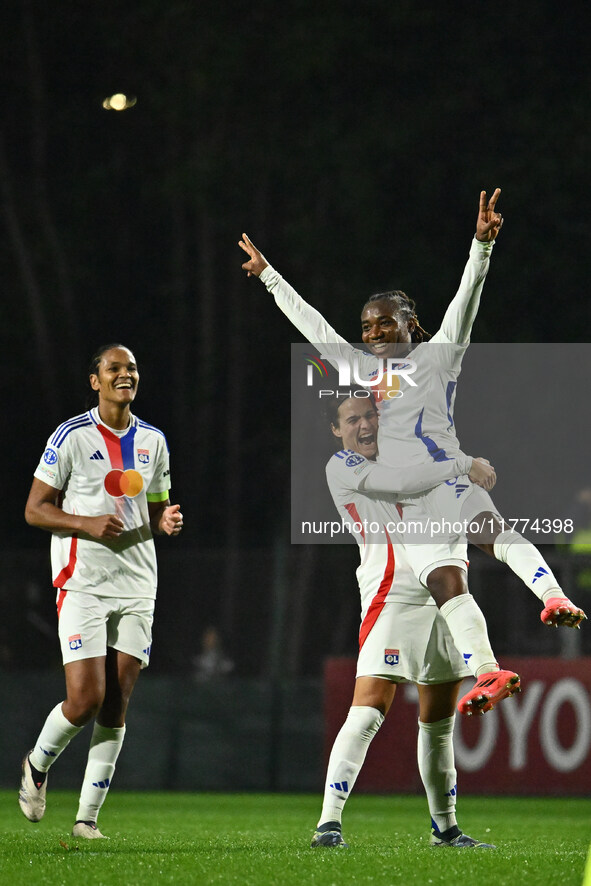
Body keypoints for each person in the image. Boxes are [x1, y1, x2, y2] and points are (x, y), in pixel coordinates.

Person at [239, 189, 585, 713]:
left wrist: (482, 247)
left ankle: (553, 597)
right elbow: (313, 325)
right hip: (409, 510)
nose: (374, 332)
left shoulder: (438, 357)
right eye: (367, 326)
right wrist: (269, 276)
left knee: (492, 535)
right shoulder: (361, 370)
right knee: (451, 585)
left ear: (410, 325)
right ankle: (489, 672)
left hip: (445, 481)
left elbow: (466, 301)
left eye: (385, 322)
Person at [313, 392, 499, 849]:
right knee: (368, 710)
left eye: (370, 414)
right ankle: (328, 823)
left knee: (438, 725)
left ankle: (446, 828)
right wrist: (461, 463)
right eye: (351, 419)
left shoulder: (413, 455)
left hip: (445, 597)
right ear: (337, 430)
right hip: (391, 597)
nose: (364, 425)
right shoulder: (343, 466)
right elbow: (402, 482)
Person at [19, 343, 183, 839]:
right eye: (114, 368)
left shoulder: (154, 440)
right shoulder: (70, 436)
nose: (125, 374)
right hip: (83, 582)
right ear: (96, 380)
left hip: (137, 583)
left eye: (131, 367)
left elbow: (156, 512)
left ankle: (87, 819)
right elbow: (34, 509)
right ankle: (38, 765)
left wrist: (167, 520)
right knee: (87, 697)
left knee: (118, 701)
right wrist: (84, 522)